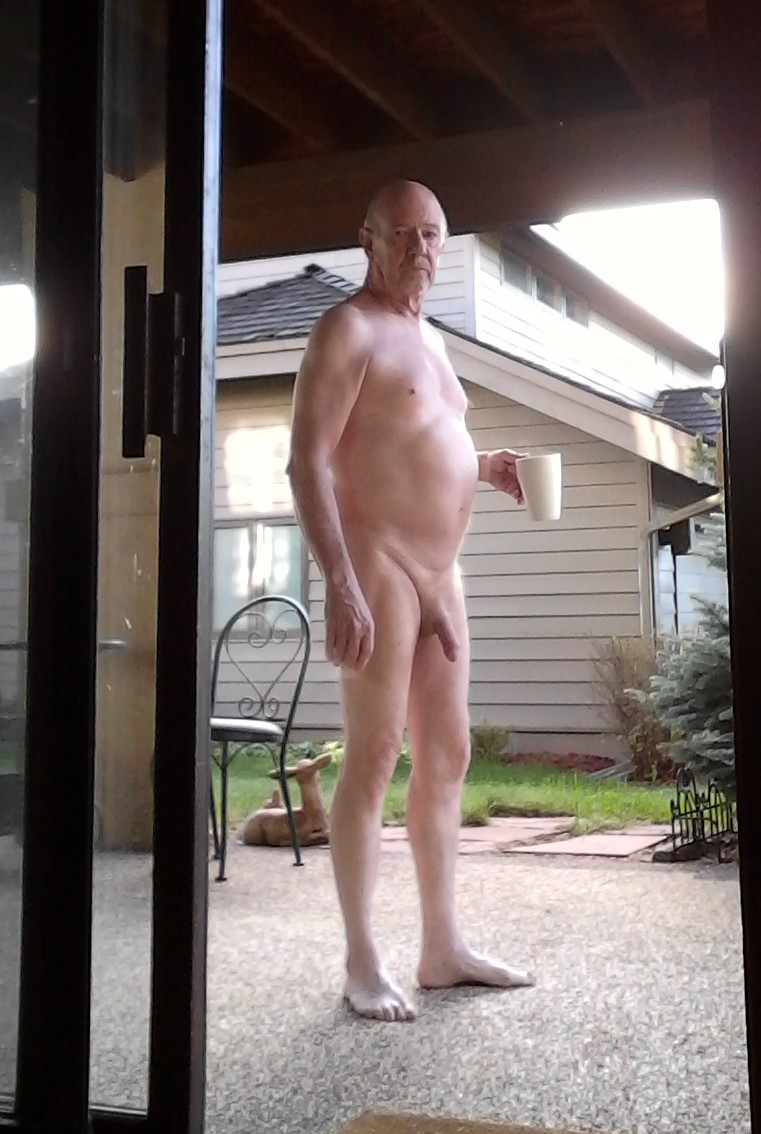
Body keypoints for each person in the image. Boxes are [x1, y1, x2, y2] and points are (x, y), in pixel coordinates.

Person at [287, 179, 534, 1022]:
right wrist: (339, 581)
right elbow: (307, 462)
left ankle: (441, 947)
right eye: (402, 234)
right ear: (367, 240)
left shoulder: (430, 337)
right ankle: (362, 960)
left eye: (431, 235)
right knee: (374, 755)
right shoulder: (346, 329)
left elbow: (421, 436)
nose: (419, 248)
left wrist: (483, 465)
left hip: (441, 572)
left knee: (449, 754)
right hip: (379, 563)